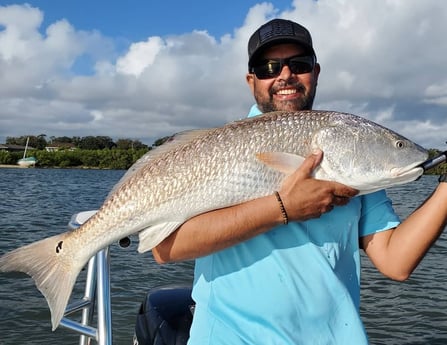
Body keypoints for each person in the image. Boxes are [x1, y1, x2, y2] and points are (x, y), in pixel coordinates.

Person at [152, 19, 447, 344]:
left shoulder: (349, 151)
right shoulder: (219, 149)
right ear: (252, 81)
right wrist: (283, 208)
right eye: (269, 67)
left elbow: (396, 262)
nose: (285, 75)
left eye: (299, 64)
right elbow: (165, 248)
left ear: (316, 72)